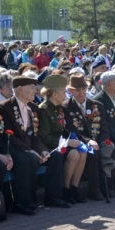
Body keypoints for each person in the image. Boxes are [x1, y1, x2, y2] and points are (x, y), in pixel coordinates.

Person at [0, 76, 66, 210]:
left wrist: (42, 150)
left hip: (32, 148)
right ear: (20, 89)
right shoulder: (5, 107)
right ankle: (23, 202)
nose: (36, 90)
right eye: (31, 87)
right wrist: (28, 150)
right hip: (16, 149)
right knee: (27, 159)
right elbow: (8, 135)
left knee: (56, 156)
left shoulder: (34, 108)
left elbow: (36, 135)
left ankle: (53, 198)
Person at [63, 74, 115, 199]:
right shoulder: (66, 107)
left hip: (99, 140)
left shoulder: (97, 105)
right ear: (71, 91)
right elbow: (71, 130)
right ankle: (95, 189)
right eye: (77, 90)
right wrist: (88, 141)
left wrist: (103, 141)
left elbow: (104, 126)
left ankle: (109, 186)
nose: (81, 93)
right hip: (81, 142)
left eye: (84, 89)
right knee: (93, 153)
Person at [38, 74, 87, 204]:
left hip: (62, 143)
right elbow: (45, 137)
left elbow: (62, 129)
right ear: (54, 94)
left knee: (83, 151)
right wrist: (67, 142)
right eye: (63, 91)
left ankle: (73, 188)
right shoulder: (44, 109)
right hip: (51, 146)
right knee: (74, 154)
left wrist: (73, 139)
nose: (65, 95)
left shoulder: (58, 108)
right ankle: (65, 189)